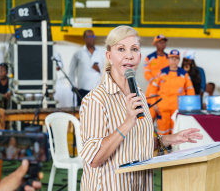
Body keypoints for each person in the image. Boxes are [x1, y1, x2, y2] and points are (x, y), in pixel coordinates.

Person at [79, 26, 203, 191]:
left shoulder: (139, 94)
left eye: (134, 49)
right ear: (109, 56)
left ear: (139, 57)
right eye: (121, 49)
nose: (129, 55)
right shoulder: (95, 100)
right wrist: (128, 122)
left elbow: (135, 143)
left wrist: (170, 139)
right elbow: (94, 159)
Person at [150, 50, 195, 135]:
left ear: (179, 60)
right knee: (162, 131)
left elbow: (190, 91)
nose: (174, 61)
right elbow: (153, 89)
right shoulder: (162, 72)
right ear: (168, 59)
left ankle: (175, 148)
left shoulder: (184, 74)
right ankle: (163, 147)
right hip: (162, 108)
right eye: (172, 58)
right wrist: (154, 104)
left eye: (176, 58)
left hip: (177, 108)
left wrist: (187, 106)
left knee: (177, 130)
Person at [69, 30, 105, 106]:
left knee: (97, 112)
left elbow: (108, 69)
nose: (92, 38)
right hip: (83, 89)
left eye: (93, 36)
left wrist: (99, 69)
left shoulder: (101, 53)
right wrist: (72, 85)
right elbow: (71, 70)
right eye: (89, 36)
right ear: (84, 38)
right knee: (82, 112)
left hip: (98, 89)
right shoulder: (78, 53)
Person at [143, 35, 169, 120]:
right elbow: (147, 73)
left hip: (164, 92)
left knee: (163, 119)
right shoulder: (149, 57)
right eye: (160, 42)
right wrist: (156, 83)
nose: (162, 44)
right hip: (152, 91)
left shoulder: (170, 58)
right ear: (155, 44)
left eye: (164, 42)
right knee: (150, 118)